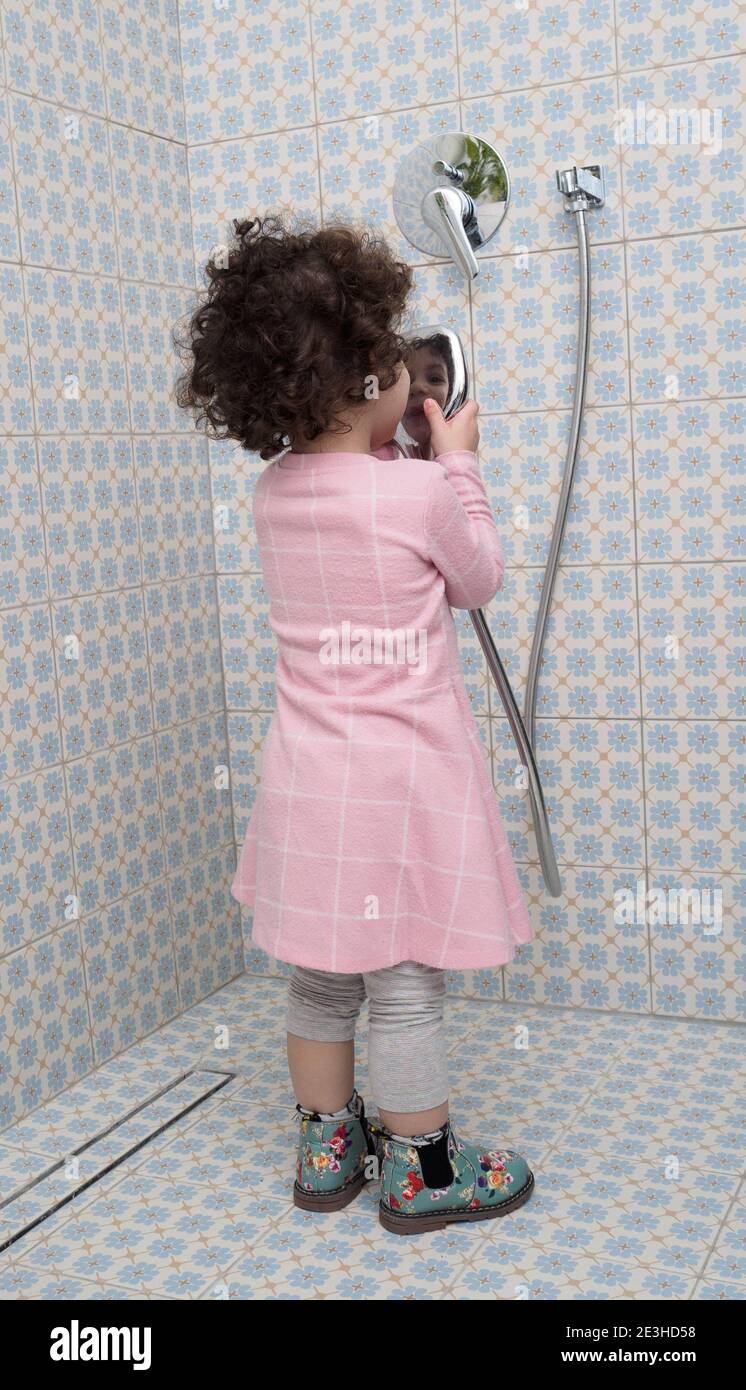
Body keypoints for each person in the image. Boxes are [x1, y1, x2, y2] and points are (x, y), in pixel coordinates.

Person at [174, 213, 535, 1236]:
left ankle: (326, 1145)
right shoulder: (421, 493)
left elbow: (345, 513)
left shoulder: (272, 493)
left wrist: (400, 453)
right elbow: (480, 577)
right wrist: (454, 459)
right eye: (390, 362)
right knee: (405, 983)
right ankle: (420, 1169)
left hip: (305, 784)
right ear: (369, 383)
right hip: (401, 787)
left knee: (322, 979)